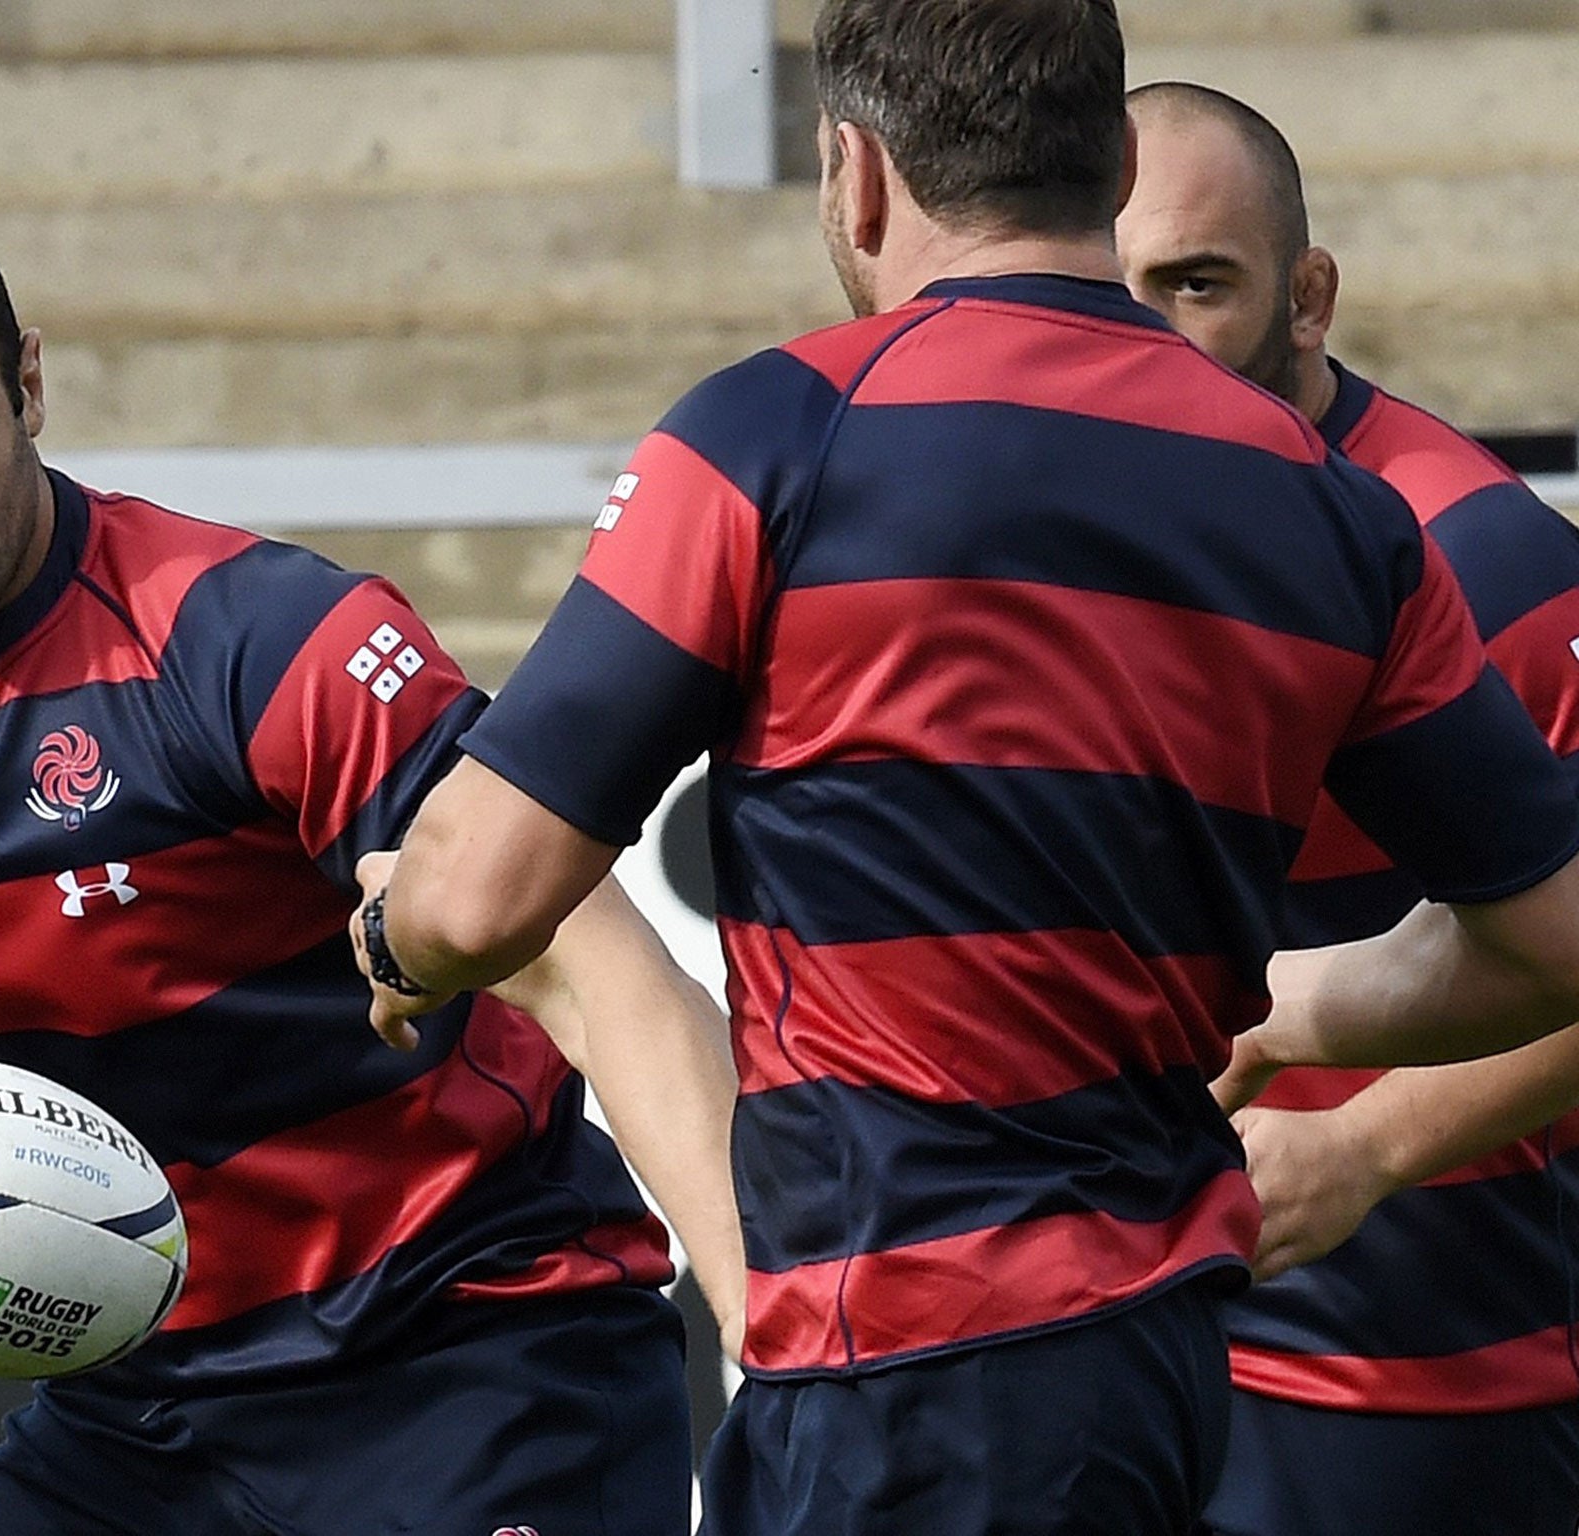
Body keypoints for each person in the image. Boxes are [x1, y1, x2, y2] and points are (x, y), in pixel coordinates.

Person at [346, 2, 1579, 1532]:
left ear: (854, 177)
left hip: (916, 1365)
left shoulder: (775, 436)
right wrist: (1302, 1000)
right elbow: (1554, 942)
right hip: (1167, 1356)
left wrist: (397, 932)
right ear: (1113, 161)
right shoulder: (1325, 502)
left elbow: (480, 901)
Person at [0, 201, 745, 1534]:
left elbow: (602, 983)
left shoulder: (259, 641)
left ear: (30, 387)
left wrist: (777, 1322)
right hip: (137, 1421)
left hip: (473, 1359)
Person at [1117, 81, 1579, 1536]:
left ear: (1307, 300)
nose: (1140, 338)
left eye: (1194, 284)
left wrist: (1368, 1147)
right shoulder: (1036, 531)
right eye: (1107, 285)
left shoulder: (1484, 559)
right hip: (1100, 1355)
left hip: (1407, 1385)